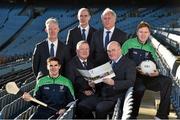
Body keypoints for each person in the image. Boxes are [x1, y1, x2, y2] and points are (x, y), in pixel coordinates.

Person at [122, 21, 172, 119]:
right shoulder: (128, 44)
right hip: (133, 76)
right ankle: (133, 116)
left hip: (147, 77)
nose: (143, 34)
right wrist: (134, 69)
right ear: (137, 32)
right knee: (140, 88)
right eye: (141, 32)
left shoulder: (150, 48)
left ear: (149, 33)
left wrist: (156, 72)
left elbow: (155, 65)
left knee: (167, 81)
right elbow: (121, 62)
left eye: (146, 32)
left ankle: (161, 115)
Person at [78, 41, 136, 119]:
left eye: (113, 50)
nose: (110, 53)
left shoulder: (129, 63)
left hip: (115, 97)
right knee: (82, 105)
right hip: (101, 96)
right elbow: (102, 83)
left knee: (100, 108)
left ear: (120, 50)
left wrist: (114, 83)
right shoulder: (108, 64)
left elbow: (130, 82)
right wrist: (94, 85)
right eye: (108, 51)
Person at [66, 41, 96, 118]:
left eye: (87, 49)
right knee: (83, 108)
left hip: (93, 94)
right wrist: (83, 91)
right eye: (82, 49)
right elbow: (70, 84)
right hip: (79, 95)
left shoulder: (92, 62)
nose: (85, 51)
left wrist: (93, 86)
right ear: (77, 51)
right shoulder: (71, 64)